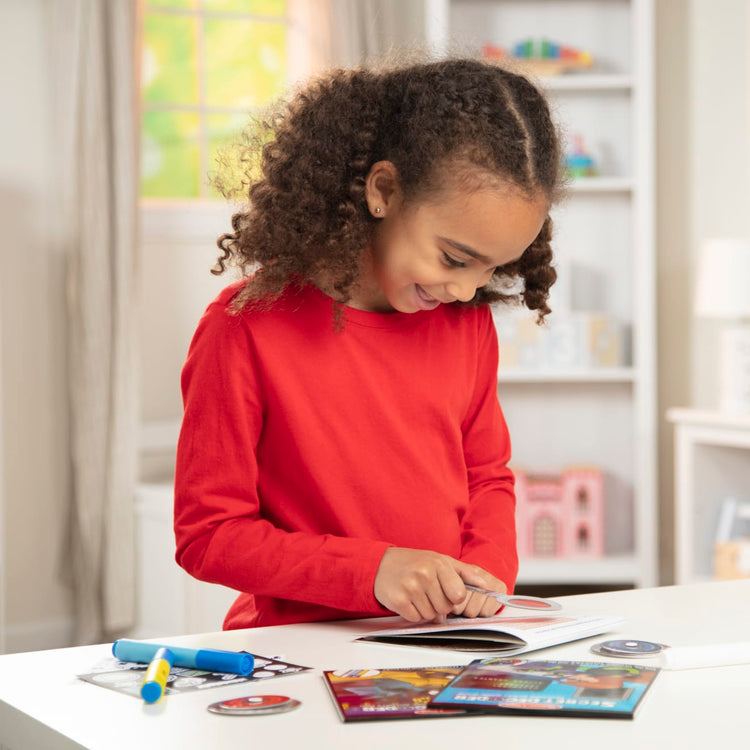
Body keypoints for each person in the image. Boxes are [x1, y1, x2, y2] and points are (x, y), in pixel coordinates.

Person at [173, 57, 563, 631]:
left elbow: (487, 477)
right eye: (454, 258)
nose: (464, 289)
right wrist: (372, 571)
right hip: (298, 647)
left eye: (492, 267)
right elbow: (209, 536)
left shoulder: (465, 325)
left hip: (439, 642)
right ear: (383, 191)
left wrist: (487, 571)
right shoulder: (244, 328)